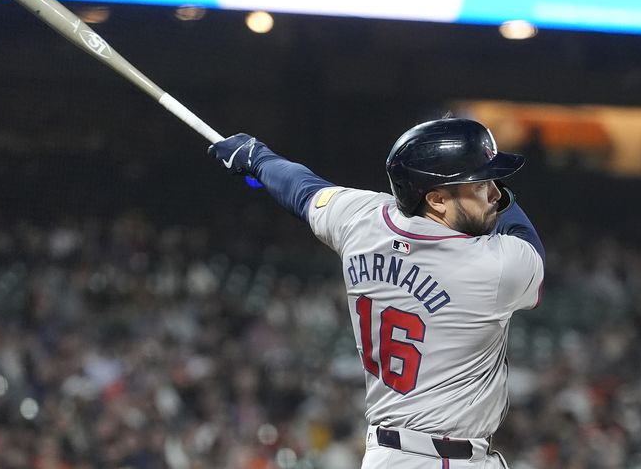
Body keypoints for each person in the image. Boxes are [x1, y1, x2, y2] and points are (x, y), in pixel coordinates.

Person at [209, 115, 545, 468]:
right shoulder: (493, 267)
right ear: (436, 200)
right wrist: (505, 199)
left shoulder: (362, 220)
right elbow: (527, 241)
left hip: (387, 456)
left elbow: (301, 190)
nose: (495, 192)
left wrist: (257, 158)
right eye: (481, 183)